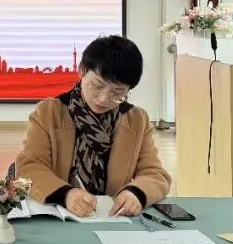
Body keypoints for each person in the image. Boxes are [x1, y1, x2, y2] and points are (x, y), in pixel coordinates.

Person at [16, 35, 171, 218]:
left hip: (111, 217)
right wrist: (65, 194)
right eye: (97, 86)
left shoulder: (136, 119)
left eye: (117, 93)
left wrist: (135, 193)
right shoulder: (49, 112)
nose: (103, 99)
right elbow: (28, 168)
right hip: (58, 214)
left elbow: (155, 174)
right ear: (81, 70)